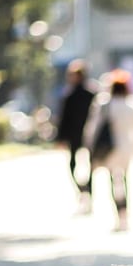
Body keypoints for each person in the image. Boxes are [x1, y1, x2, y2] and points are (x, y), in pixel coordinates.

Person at [83, 71, 133, 232]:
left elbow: (93, 128)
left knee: (114, 181)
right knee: (124, 180)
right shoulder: (131, 105)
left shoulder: (104, 104)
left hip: (110, 148)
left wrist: (89, 146)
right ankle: (125, 214)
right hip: (126, 148)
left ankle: (119, 216)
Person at [54, 59, 96, 214]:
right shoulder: (69, 94)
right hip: (75, 136)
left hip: (88, 135)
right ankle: (84, 190)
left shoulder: (92, 94)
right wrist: (60, 138)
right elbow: (64, 118)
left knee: (89, 166)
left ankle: (88, 193)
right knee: (73, 165)